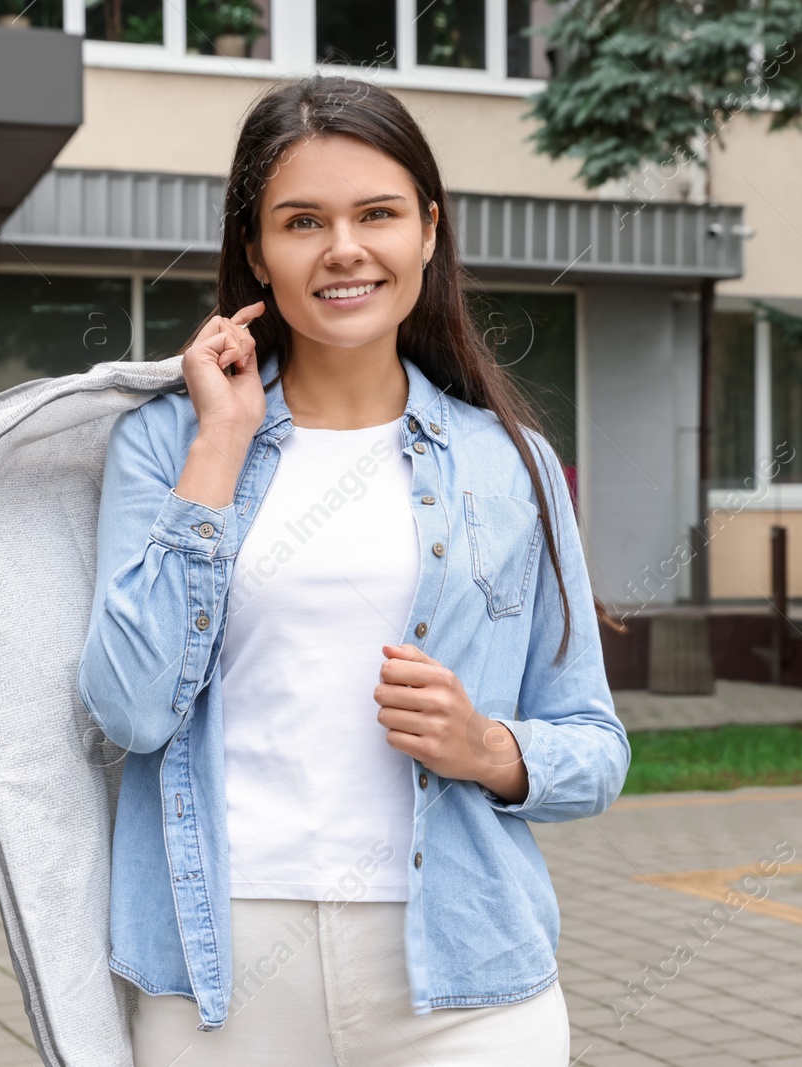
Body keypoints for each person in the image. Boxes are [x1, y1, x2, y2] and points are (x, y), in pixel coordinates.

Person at [76, 72, 630, 1067]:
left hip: (464, 981)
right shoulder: (167, 445)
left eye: (376, 212)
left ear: (427, 228)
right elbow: (129, 710)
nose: (342, 248)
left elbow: (593, 742)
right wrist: (220, 446)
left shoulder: (513, 460)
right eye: (301, 220)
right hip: (223, 972)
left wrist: (488, 747)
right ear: (254, 248)